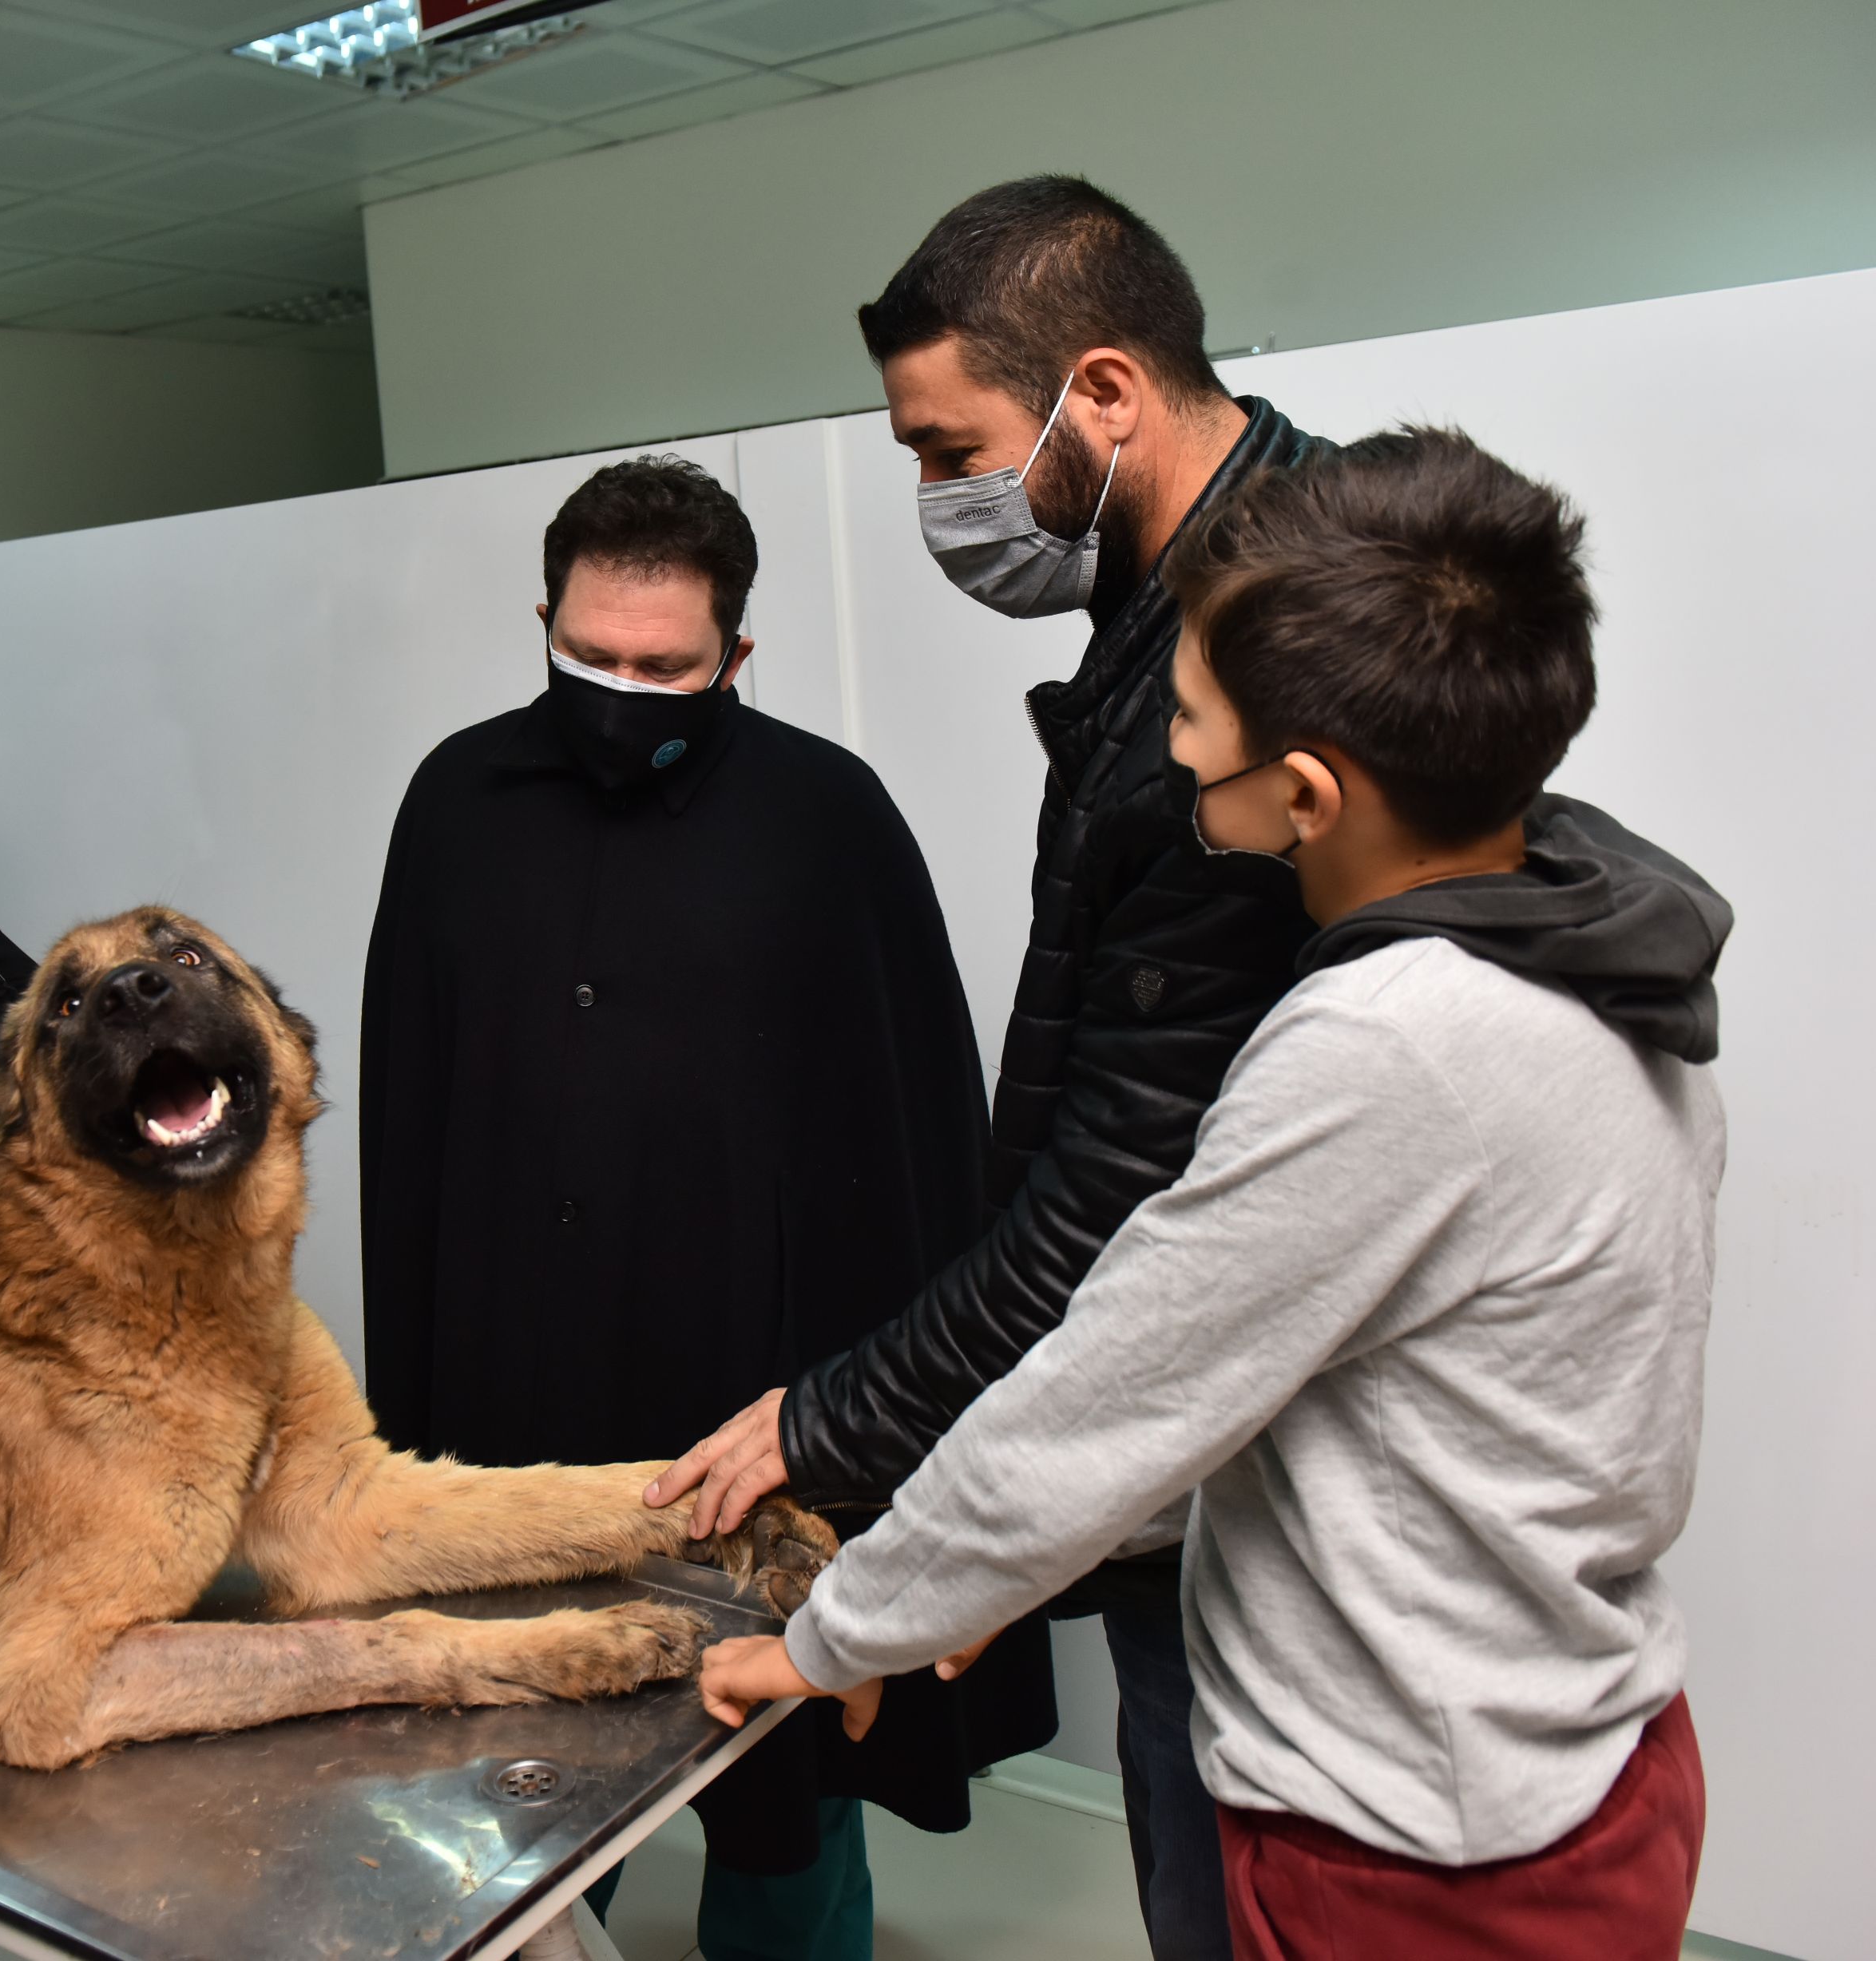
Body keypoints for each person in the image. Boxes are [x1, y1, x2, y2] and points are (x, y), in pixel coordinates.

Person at [701, 427, 1725, 1961]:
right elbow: (1333, 1390)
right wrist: (998, 1570)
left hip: (1405, 1850)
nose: (1170, 756)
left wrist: (840, 1632)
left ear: (1309, 794)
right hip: (1583, 1754)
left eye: (1187, 718)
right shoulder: (1597, 949)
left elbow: (1109, 1390)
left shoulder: (1388, 1048)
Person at [652, 176, 1326, 1961]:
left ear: (1102, 393)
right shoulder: (1174, 619)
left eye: (949, 449)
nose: (941, 501)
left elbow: (1122, 1190)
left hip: (1263, 1485)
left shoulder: (1255, 675)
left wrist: (843, 1428)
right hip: (1184, 1445)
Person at [360, 456, 1052, 1961]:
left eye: (664, 670)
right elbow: (411, 1148)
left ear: (739, 656)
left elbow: (918, 1143)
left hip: (764, 1423)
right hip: (521, 1429)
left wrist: (887, 1446)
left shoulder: (829, 818)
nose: (621, 693)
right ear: (542, 620)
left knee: (789, 1813)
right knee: (522, 1829)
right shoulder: (457, 806)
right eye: (587, 658)